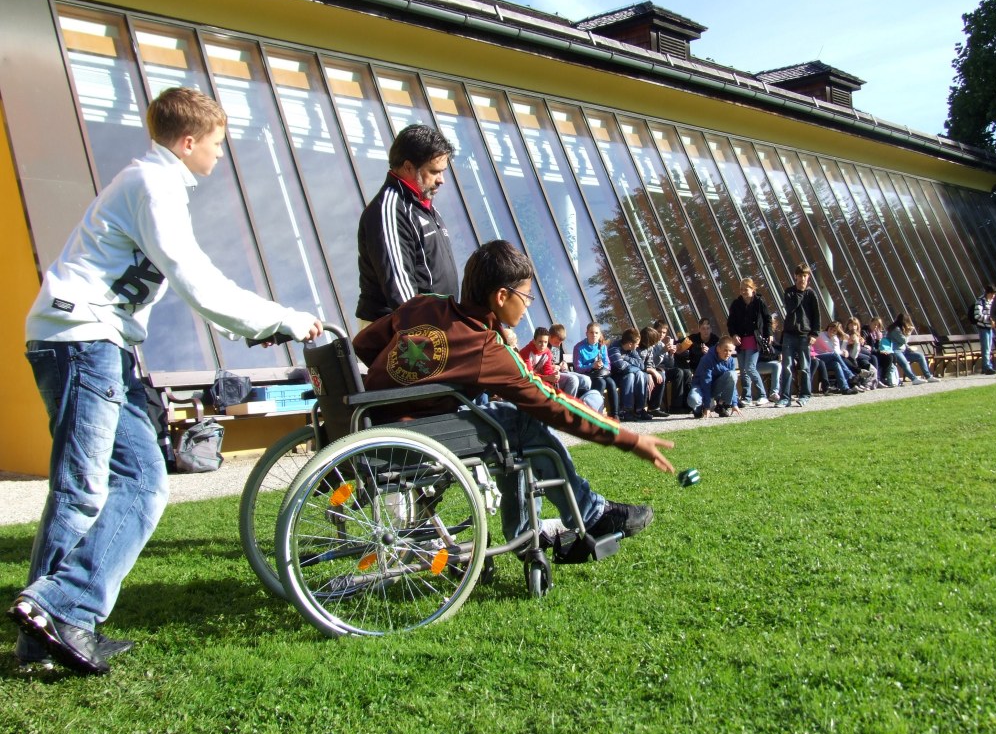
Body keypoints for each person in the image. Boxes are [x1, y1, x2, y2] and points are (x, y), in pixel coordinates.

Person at [9, 87, 323, 677]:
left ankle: (52, 625)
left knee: (145, 484)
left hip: (97, 344)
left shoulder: (153, 184)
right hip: (83, 341)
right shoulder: (154, 185)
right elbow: (195, 279)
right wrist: (284, 318)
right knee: (84, 488)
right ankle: (57, 612)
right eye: (216, 144)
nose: (220, 156)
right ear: (187, 142)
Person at [353, 240, 672, 547]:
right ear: (503, 296)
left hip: (370, 427)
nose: (528, 304)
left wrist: (411, 386)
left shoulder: (423, 304)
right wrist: (628, 439)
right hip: (415, 440)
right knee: (522, 422)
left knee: (505, 420)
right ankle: (587, 514)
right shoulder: (484, 348)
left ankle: (526, 530)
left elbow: (364, 345)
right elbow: (551, 403)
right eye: (527, 296)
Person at [356, 124, 458, 323]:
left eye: (443, 171)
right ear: (408, 167)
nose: (442, 180)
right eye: (435, 171)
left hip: (432, 329)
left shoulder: (423, 206)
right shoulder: (390, 211)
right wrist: (430, 335)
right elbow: (401, 291)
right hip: (399, 336)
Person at [778, 264, 820, 407]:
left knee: (805, 367)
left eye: (805, 275)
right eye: (800, 275)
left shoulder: (811, 294)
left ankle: (804, 395)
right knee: (787, 366)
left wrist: (814, 333)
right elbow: (791, 307)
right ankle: (785, 397)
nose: (802, 278)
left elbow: (816, 315)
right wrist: (799, 292)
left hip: (804, 335)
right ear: (795, 276)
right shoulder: (789, 292)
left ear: (808, 277)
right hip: (790, 334)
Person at [726, 278, 772, 406]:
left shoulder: (759, 302)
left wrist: (769, 334)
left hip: (754, 339)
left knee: (749, 367)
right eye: (741, 289)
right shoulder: (736, 304)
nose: (743, 292)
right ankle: (746, 396)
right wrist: (734, 335)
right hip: (741, 340)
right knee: (743, 369)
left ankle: (762, 394)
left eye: (746, 289)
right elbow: (731, 323)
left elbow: (767, 319)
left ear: (752, 289)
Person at [687, 335, 742, 418]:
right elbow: (706, 384)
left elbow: (732, 383)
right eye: (725, 350)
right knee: (693, 400)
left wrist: (734, 404)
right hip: (701, 386)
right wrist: (707, 407)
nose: (728, 354)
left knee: (732, 374)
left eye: (730, 351)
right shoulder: (707, 359)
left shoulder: (730, 360)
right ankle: (698, 410)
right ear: (718, 348)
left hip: (716, 388)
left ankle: (721, 405)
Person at [573, 322, 619, 415]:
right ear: (586, 333)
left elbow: (608, 364)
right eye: (591, 332)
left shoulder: (602, 346)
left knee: (611, 383)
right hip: (587, 375)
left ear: (599, 334)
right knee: (601, 383)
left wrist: (602, 365)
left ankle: (615, 414)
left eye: (596, 333)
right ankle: (597, 413)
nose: (594, 335)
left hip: (600, 373)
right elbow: (578, 368)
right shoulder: (579, 347)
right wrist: (591, 366)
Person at [609, 328, 651, 421]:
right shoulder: (614, 348)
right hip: (615, 376)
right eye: (636, 344)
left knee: (640, 374)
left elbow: (641, 364)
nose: (638, 346)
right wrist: (634, 366)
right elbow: (622, 367)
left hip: (626, 374)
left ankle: (640, 409)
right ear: (630, 344)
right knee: (631, 375)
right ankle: (625, 410)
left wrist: (627, 358)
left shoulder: (631, 350)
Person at [651, 319, 692, 413]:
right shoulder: (651, 344)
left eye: (664, 332)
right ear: (654, 331)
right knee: (679, 372)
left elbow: (669, 365)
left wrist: (670, 354)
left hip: (664, 369)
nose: (661, 334)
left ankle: (686, 404)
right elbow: (651, 362)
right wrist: (663, 351)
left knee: (686, 372)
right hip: (655, 370)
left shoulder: (662, 344)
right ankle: (676, 407)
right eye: (659, 332)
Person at [886, 313, 939, 385]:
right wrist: (909, 332)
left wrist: (908, 348)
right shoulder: (895, 329)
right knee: (905, 363)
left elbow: (904, 343)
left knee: (920, 356)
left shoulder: (900, 328)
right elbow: (903, 340)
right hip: (895, 351)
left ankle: (928, 376)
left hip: (904, 351)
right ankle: (914, 379)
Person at [547, 323, 591, 399]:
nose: (559, 344)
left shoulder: (557, 345)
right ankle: (566, 407)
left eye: (560, 343)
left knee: (586, 380)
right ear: (549, 337)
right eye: (557, 342)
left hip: (561, 371)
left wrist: (563, 363)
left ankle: (582, 403)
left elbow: (560, 359)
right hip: (551, 375)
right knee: (573, 380)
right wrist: (554, 367)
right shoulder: (543, 345)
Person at [972, 284, 996, 375]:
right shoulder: (980, 301)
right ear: (988, 293)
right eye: (992, 294)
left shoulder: (992, 301)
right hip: (983, 327)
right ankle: (986, 367)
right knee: (986, 347)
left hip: (990, 327)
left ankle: (987, 366)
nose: (993, 296)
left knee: (989, 347)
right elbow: (977, 315)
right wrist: (989, 319)